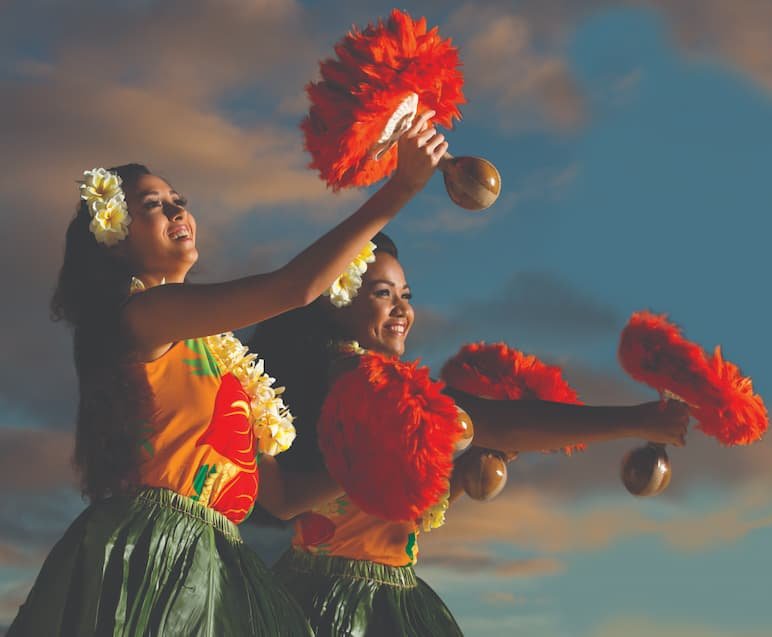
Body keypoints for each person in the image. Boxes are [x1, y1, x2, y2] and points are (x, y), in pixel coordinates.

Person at [8, 112, 448, 636]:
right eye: (153, 205)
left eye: (178, 201)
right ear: (114, 236)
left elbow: (279, 497)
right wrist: (400, 189)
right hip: (158, 551)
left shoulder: (218, 353)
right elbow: (295, 287)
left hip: (217, 556)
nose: (177, 209)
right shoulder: (143, 315)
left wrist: (388, 473)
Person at [250, 233, 690, 636]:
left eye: (406, 295)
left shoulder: (359, 375)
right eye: (383, 294)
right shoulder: (361, 376)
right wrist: (637, 420)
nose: (402, 308)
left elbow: (396, 520)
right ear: (335, 299)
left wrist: (461, 476)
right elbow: (498, 422)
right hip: (341, 605)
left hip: (372, 588)